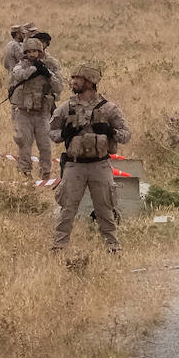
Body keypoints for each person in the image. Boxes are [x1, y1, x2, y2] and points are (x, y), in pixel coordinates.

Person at [49, 64, 130, 252]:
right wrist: (65, 133)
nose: (73, 82)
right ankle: (59, 246)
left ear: (90, 82)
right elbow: (51, 132)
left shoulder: (109, 108)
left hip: (100, 166)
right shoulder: (66, 108)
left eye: (77, 78)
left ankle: (112, 247)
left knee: (105, 209)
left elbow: (126, 135)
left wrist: (110, 131)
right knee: (67, 209)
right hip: (74, 166)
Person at [7, 37, 63, 178]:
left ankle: (45, 174)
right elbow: (17, 75)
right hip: (24, 112)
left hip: (42, 113)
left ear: (40, 51)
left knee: (45, 146)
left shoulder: (49, 66)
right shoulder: (21, 65)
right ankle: (25, 174)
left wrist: (47, 74)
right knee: (24, 144)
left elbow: (59, 87)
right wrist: (33, 70)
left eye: (35, 51)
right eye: (29, 51)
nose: (32, 54)